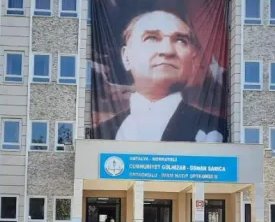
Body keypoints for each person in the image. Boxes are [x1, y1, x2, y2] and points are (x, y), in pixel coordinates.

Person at [93, 10, 227, 142]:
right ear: (126, 57)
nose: (167, 51)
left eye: (181, 40)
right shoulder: (99, 134)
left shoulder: (220, 132)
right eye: (151, 38)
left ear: (192, 59)